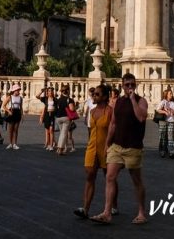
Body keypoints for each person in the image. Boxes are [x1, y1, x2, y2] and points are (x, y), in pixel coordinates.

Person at [90, 72, 149, 225]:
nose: (130, 87)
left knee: (136, 180)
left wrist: (132, 100)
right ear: (122, 86)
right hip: (117, 146)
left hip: (133, 147)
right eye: (127, 85)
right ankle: (107, 212)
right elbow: (113, 124)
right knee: (110, 177)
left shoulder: (141, 101)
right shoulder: (117, 102)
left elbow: (141, 117)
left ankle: (141, 212)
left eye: (132, 84)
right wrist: (108, 144)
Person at [75, 85, 114, 219]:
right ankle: (85, 209)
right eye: (94, 94)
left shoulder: (110, 111)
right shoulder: (92, 112)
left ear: (104, 97)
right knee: (89, 175)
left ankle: (112, 206)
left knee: (109, 177)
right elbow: (91, 131)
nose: (94, 96)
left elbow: (113, 130)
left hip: (106, 147)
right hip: (92, 146)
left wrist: (110, 147)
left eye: (97, 94)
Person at [156, 88, 174, 159]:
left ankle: (172, 152)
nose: (171, 95)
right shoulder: (163, 102)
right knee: (162, 136)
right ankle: (162, 151)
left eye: (171, 94)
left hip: (171, 121)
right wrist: (165, 112)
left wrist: (171, 110)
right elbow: (157, 109)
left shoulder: (173, 103)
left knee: (171, 137)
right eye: (170, 94)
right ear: (166, 95)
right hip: (163, 121)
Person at [55, 85, 73, 155]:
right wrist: (76, 106)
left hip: (58, 118)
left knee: (62, 133)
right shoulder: (69, 99)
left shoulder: (58, 99)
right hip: (66, 118)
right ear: (68, 90)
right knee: (64, 133)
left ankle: (60, 148)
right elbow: (72, 109)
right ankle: (60, 149)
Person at [4, 83, 23, 149]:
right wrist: (9, 111)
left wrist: (22, 115)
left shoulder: (20, 98)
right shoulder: (10, 97)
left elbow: (21, 107)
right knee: (11, 129)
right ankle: (10, 143)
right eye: (17, 90)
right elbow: (3, 106)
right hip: (11, 112)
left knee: (16, 129)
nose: (18, 91)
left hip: (17, 112)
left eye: (19, 90)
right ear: (14, 90)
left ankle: (15, 144)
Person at [37, 86, 56, 150]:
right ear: (47, 92)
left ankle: (51, 145)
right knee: (47, 130)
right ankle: (48, 144)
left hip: (52, 115)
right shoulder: (45, 98)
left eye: (52, 91)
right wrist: (42, 91)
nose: (51, 92)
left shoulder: (55, 99)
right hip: (47, 115)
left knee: (51, 130)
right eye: (49, 91)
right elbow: (37, 96)